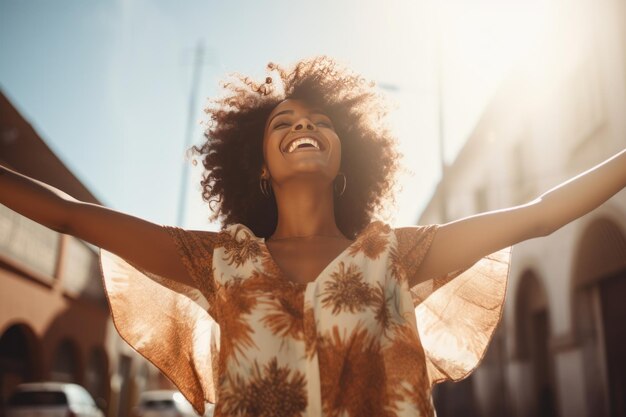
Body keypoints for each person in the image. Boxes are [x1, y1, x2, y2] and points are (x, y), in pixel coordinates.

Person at [1, 56, 624, 417]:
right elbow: (72, 216)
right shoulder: (218, 261)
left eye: (321, 122)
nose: (304, 126)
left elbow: (541, 213)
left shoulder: (395, 254)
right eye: (285, 123)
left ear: (345, 159)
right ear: (259, 166)